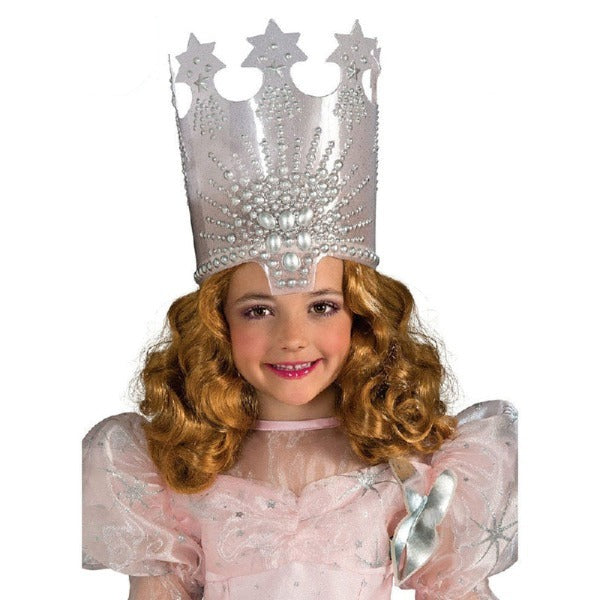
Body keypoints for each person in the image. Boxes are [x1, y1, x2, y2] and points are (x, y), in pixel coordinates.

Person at [82, 19, 517, 600]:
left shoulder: (412, 471)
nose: (292, 337)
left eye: (322, 306)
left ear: (361, 317)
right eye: (258, 311)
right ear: (218, 323)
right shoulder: (177, 471)